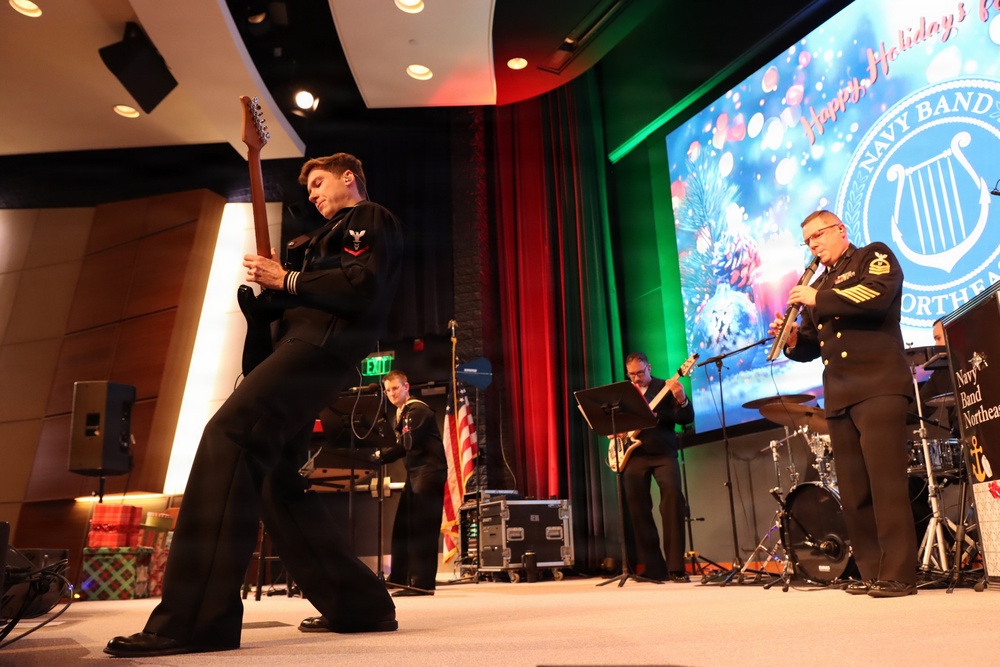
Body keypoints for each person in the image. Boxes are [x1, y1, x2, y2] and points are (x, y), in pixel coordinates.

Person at [106, 153, 404, 657]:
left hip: (318, 352)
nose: (311, 193)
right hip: (307, 349)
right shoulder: (317, 242)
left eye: (318, 181)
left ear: (349, 177)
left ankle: (197, 621)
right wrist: (266, 300)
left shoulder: (367, 218)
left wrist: (285, 281)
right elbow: (298, 308)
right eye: (308, 187)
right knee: (273, 481)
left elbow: (360, 286)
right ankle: (361, 604)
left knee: (226, 437)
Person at [768, 209, 917, 597]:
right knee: (854, 491)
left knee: (886, 485)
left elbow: (877, 296)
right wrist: (794, 341)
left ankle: (899, 574)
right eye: (808, 242)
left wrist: (818, 296)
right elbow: (822, 346)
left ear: (840, 230)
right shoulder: (823, 284)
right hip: (840, 395)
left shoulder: (872, 256)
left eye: (818, 236)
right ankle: (872, 572)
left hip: (878, 385)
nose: (813, 246)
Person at [621, 351, 694, 582]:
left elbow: (685, 419)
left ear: (649, 368)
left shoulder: (667, 386)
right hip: (634, 455)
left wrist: (681, 398)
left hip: (663, 452)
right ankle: (653, 568)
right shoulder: (625, 393)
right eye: (631, 374)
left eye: (640, 373)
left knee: (672, 500)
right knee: (637, 508)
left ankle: (676, 567)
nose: (636, 378)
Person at [376, 370, 447, 596]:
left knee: (421, 528)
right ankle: (400, 577)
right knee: (403, 526)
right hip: (415, 474)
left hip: (428, 473)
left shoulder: (417, 410)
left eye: (395, 388)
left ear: (407, 387)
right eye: (387, 390)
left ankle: (422, 583)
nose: (391, 394)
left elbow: (407, 443)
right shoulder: (402, 412)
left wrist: (378, 456)